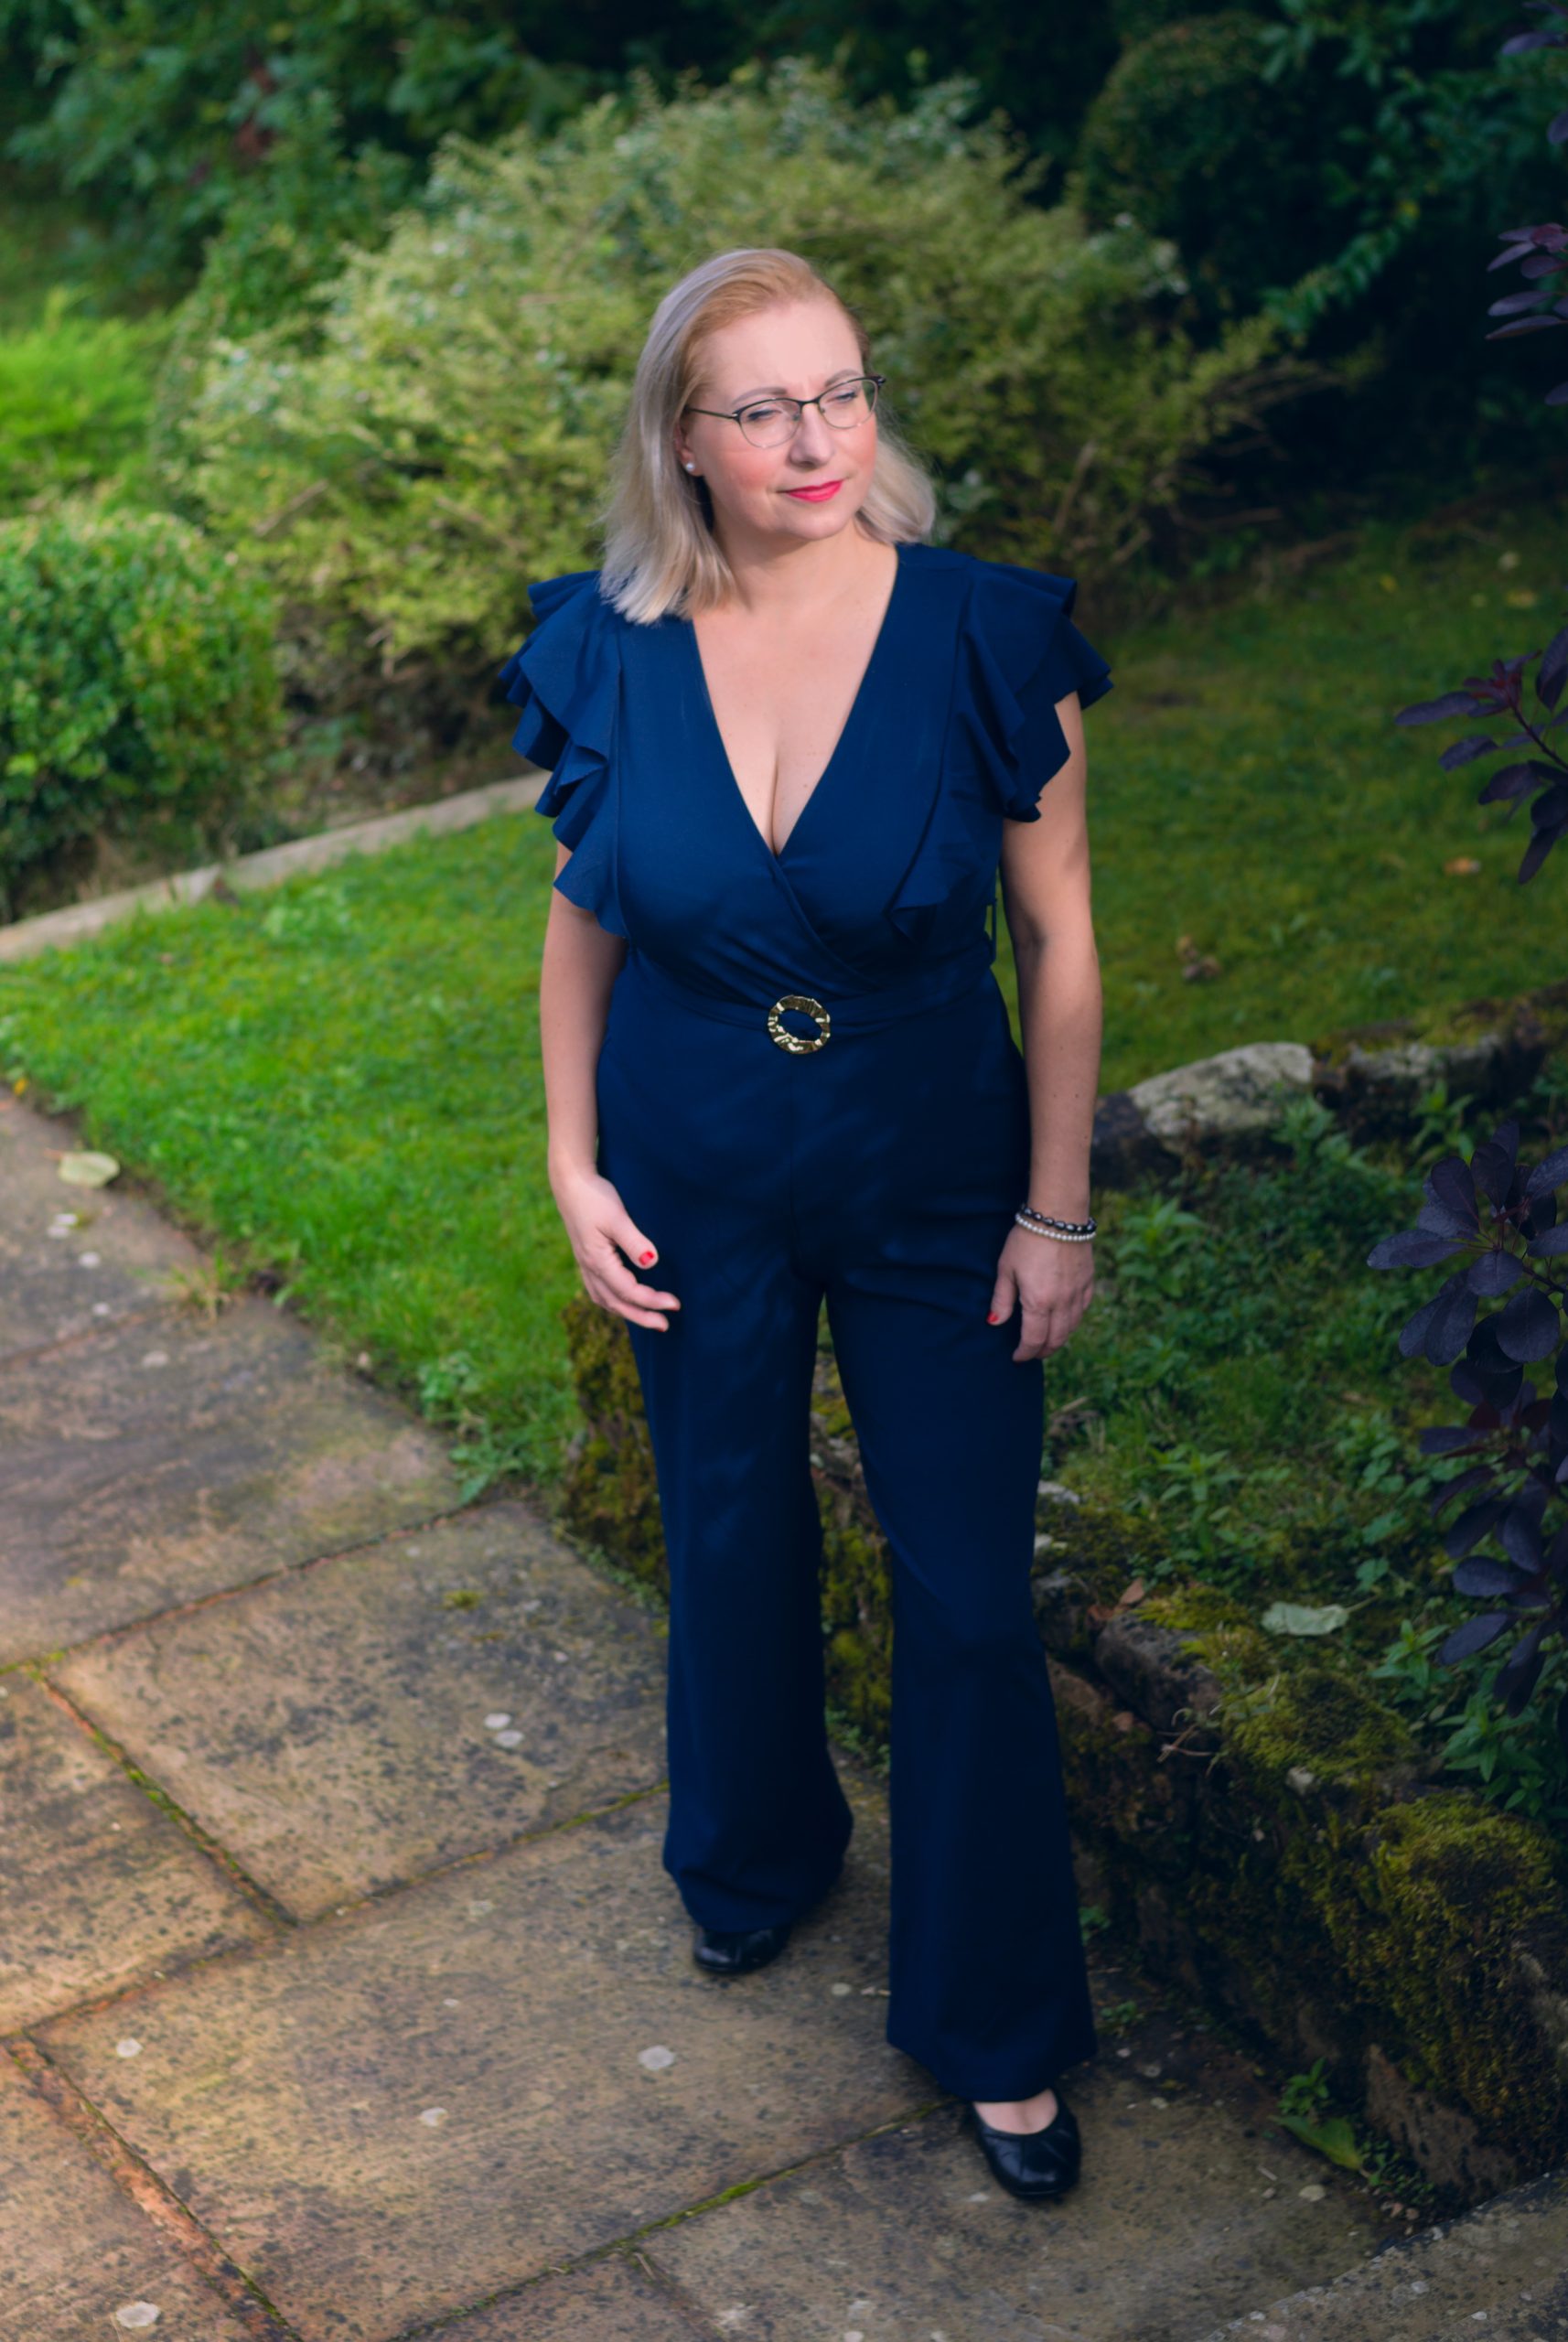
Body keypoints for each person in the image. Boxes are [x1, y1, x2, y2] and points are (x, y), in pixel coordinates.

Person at [499, 246, 1112, 2205]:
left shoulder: (981, 634)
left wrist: (1055, 1208)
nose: (814, 436)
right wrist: (572, 1162)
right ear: (680, 440)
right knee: (729, 1525)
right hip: (690, 1164)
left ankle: (994, 2025)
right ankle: (756, 1856)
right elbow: (585, 917)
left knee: (969, 1594)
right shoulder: (609, 646)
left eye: (838, 389)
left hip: (935, 1175)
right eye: (760, 407)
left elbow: (1059, 940)